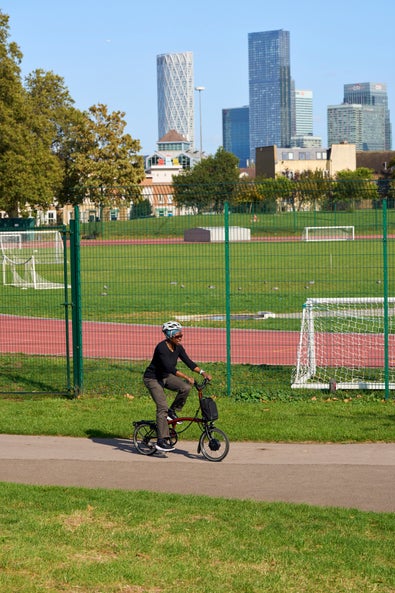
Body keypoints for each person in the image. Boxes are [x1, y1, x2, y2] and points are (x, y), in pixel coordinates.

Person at [143, 321, 212, 452]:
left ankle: (172, 410)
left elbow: (189, 362)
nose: (180, 338)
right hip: (152, 378)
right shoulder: (161, 348)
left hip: (165, 376)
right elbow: (169, 367)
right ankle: (161, 440)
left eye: (181, 335)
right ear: (169, 336)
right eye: (177, 336)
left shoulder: (178, 347)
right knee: (162, 407)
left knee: (185, 388)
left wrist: (203, 373)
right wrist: (186, 377)